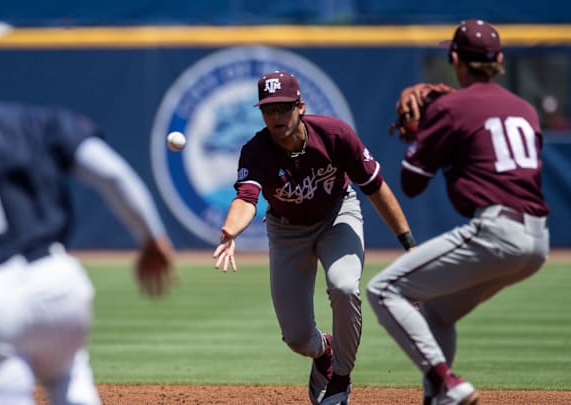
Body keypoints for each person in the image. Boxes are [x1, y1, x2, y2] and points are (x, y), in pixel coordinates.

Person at [0, 22, 176, 405]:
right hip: (56, 285)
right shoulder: (34, 123)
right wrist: (152, 237)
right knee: (69, 376)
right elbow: (112, 175)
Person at [367, 19, 549, 405]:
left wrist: (423, 135)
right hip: (538, 241)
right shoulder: (525, 110)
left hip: (498, 231)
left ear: (455, 59)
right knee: (436, 312)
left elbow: (413, 182)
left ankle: (447, 381)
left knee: (383, 290)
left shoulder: (451, 108)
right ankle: (439, 398)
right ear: (498, 59)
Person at [212, 71, 416, 405]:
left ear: (300, 106)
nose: (277, 116)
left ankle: (340, 378)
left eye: (284, 107)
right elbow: (247, 198)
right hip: (286, 229)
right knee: (296, 338)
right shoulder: (256, 150)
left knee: (344, 286)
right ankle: (325, 350)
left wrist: (408, 245)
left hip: (337, 214)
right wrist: (230, 230)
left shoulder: (335, 135)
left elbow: (376, 189)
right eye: (269, 109)